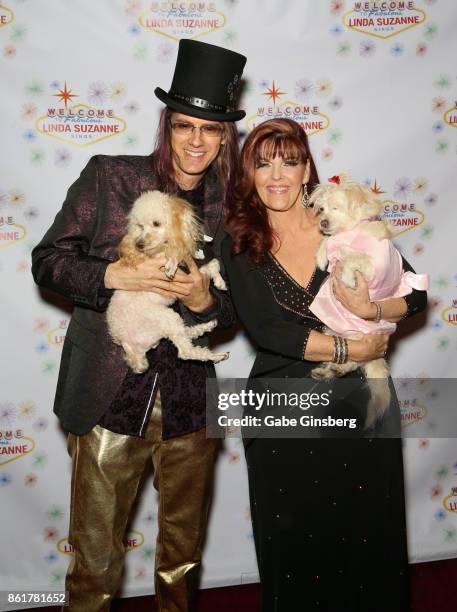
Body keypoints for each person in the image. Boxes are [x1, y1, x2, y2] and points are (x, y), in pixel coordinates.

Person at [31, 39, 246, 612]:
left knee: (181, 554)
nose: (196, 141)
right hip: (109, 392)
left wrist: (205, 300)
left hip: (188, 401)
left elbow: (234, 310)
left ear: (226, 137)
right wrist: (114, 278)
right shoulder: (110, 176)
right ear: (166, 127)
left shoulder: (232, 205)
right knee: (96, 559)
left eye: (211, 129)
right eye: (184, 126)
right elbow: (48, 259)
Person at [221, 118, 427, 612]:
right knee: (294, 544)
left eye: (289, 162)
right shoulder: (237, 237)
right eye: (263, 163)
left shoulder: (343, 219)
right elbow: (269, 329)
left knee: (368, 533)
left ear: (307, 167)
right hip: (284, 405)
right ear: (247, 173)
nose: (276, 175)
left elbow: (415, 291)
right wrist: (351, 350)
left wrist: (370, 312)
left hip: (363, 402)